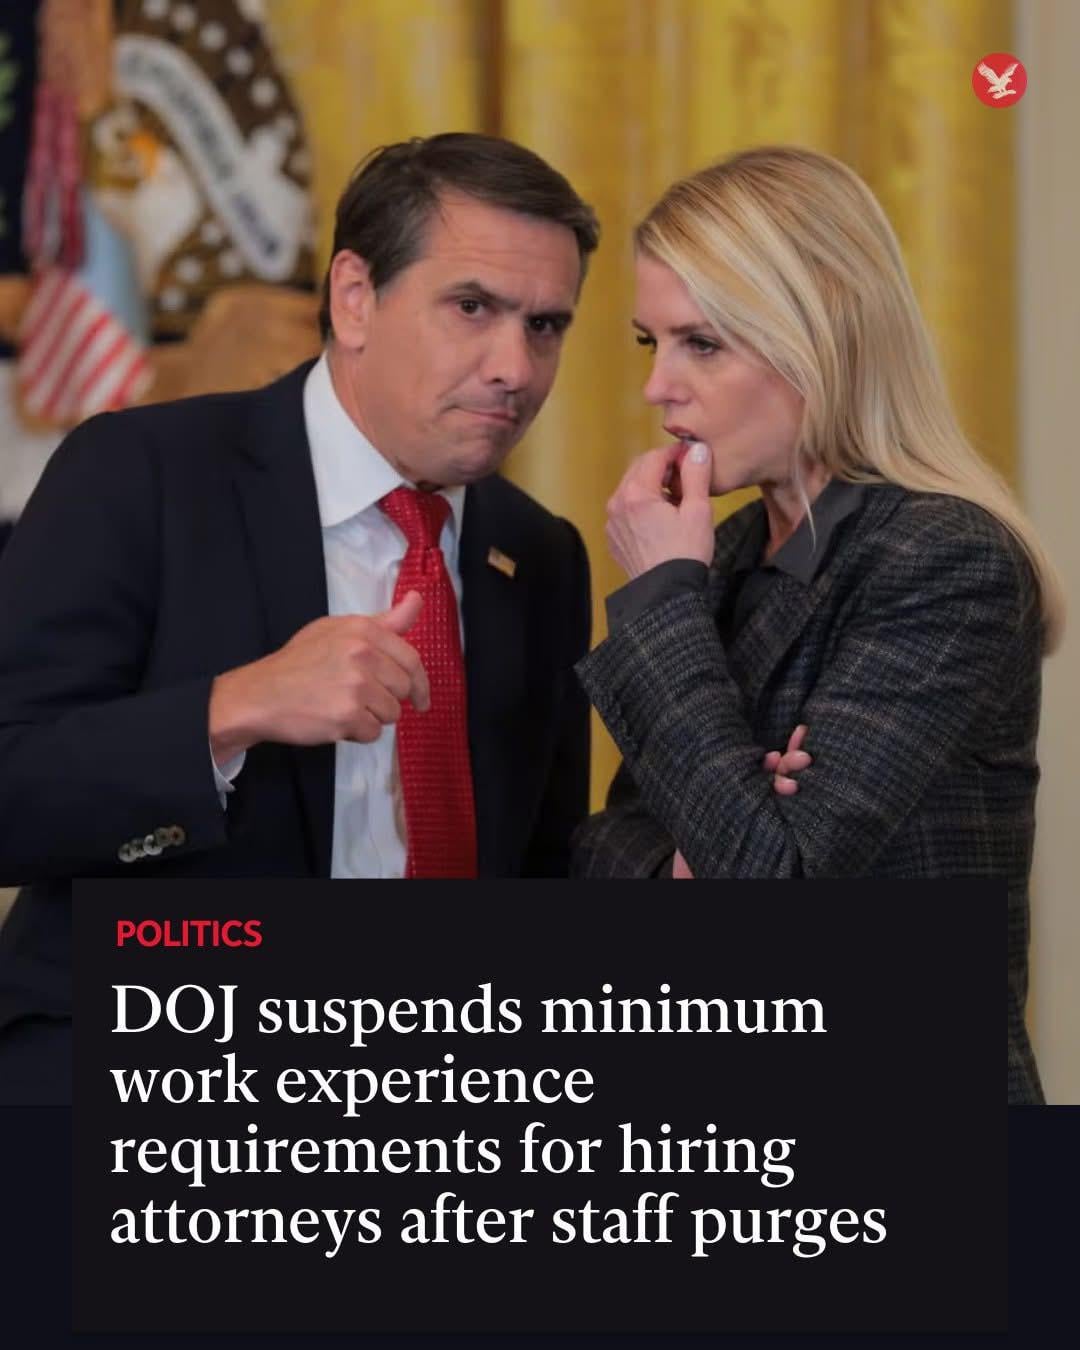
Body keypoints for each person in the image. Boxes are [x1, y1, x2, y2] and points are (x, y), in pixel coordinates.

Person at [0, 133, 598, 1100]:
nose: (515, 367)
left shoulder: (540, 555)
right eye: (473, 307)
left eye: (546, 326)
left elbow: (541, 870)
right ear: (354, 296)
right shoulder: (143, 473)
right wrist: (231, 709)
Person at [571, 146, 1064, 1105]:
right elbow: (600, 847)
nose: (658, 387)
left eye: (701, 343)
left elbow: (771, 890)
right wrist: (695, 851)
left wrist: (662, 596)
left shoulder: (944, 557)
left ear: (820, 336)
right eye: (649, 342)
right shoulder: (726, 551)